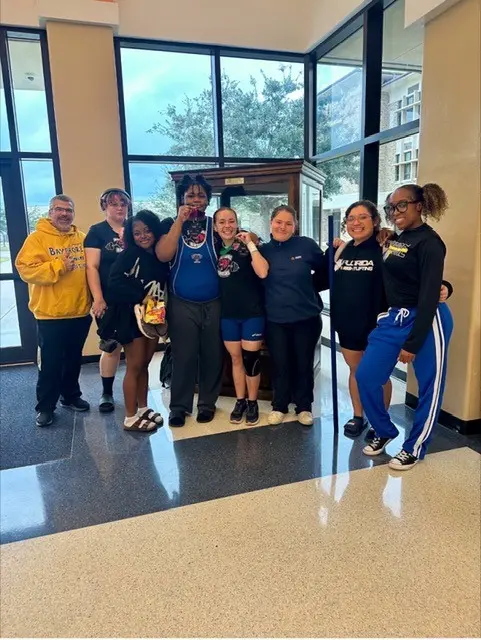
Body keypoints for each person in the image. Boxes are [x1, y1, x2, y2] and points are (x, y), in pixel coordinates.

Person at [329, 201, 452, 440]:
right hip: (348, 323)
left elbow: (413, 276)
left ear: (375, 221)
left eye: (363, 217)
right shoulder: (342, 250)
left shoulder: (387, 244)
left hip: (381, 323)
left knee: (379, 375)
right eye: (351, 218)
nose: (356, 223)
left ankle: (379, 423)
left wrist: (445, 286)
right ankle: (358, 416)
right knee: (356, 371)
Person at [356, 183, 454, 470]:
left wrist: (412, 343)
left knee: (429, 387)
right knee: (366, 376)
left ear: (419, 206)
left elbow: (429, 295)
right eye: (391, 207)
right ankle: (385, 430)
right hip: (396, 317)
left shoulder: (430, 242)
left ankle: (414, 446)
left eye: (401, 205)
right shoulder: (400, 238)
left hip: (428, 318)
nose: (395, 211)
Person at [15, 195, 92, 427]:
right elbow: (25, 270)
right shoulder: (36, 239)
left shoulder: (82, 238)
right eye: (59, 209)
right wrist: (58, 266)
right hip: (50, 315)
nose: (64, 214)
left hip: (79, 312)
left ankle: (70, 396)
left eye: (69, 210)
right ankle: (46, 407)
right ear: (50, 213)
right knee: (50, 364)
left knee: (73, 360)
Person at [155, 175, 223, 428]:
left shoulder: (215, 225)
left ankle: (207, 403)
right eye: (191, 195)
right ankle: (179, 407)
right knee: (183, 355)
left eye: (201, 195)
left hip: (214, 302)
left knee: (212, 355)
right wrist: (179, 221)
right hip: (181, 302)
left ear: (208, 200)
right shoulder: (170, 224)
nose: (196, 199)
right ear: (181, 198)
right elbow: (163, 255)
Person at [98, 210, 169, 432]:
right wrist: (140, 295)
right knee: (134, 365)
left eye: (147, 230)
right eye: (137, 233)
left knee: (145, 363)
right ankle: (130, 417)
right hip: (132, 315)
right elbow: (114, 283)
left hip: (154, 312)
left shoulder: (159, 255)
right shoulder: (129, 255)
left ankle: (143, 408)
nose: (143, 236)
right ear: (131, 235)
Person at [259, 205, 329, 427]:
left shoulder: (306, 245)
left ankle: (304, 406)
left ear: (295, 226)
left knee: (303, 364)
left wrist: (310, 288)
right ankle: (279, 405)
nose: (283, 227)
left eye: (288, 223)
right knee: (280, 364)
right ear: (271, 223)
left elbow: (326, 271)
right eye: (279, 222)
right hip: (275, 319)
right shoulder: (263, 250)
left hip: (306, 318)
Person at [213, 207, 269, 426]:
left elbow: (262, 272)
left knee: (250, 360)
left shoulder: (247, 246)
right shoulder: (213, 249)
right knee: (235, 359)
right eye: (222, 222)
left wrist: (251, 244)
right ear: (215, 226)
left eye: (231, 221)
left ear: (237, 223)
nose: (227, 226)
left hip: (252, 313)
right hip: (228, 314)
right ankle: (240, 401)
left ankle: (253, 402)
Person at [84, 188, 131, 413]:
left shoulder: (134, 229)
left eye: (123, 203)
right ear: (105, 207)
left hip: (134, 298)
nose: (119, 207)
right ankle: (107, 393)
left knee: (135, 347)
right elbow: (92, 267)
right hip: (109, 299)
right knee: (111, 346)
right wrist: (98, 298)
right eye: (114, 204)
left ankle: (135, 390)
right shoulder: (97, 232)